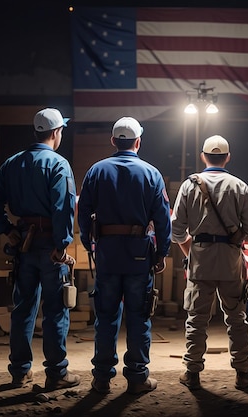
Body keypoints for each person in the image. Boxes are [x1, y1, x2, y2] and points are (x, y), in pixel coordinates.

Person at [0, 107, 80, 391]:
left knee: (23, 309)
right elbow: (63, 208)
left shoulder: (12, 163)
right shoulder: (58, 164)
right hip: (51, 244)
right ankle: (56, 373)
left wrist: (7, 229)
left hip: (23, 243)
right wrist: (62, 245)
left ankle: (20, 372)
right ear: (56, 132)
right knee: (55, 310)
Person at [77, 116, 171, 395]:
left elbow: (83, 213)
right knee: (139, 317)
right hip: (139, 255)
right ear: (138, 142)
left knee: (105, 317)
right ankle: (137, 377)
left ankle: (102, 379)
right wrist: (161, 253)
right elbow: (163, 219)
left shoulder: (96, 170)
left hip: (106, 253)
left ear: (113, 141)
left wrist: (88, 243)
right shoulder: (151, 173)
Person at [171, 135, 248, 391]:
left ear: (203, 156)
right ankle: (243, 372)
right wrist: (236, 238)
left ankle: (192, 372)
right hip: (231, 259)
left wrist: (190, 251)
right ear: (228, 158)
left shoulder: (190, 185)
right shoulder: (239, 186)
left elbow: (177, 230)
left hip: (200, 257)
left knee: (197, 318)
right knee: (237, 317)